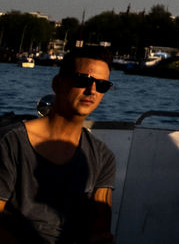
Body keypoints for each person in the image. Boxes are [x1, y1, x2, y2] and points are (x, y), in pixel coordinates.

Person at [0, 49, 116, 244]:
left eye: (102, 85)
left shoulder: (103, 157)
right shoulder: (11, 143)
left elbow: (100, 229)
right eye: (83, 80)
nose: (92, 91)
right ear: (57, 84)